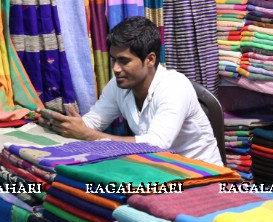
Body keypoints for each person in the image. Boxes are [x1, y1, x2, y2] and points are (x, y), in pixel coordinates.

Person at [43, 16, 222, 165]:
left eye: (124, 61)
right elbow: (93, 122)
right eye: (114, 60)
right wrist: (69, 124)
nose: (116, 68)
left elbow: (157, 144)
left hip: (204, 175)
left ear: (150, 59)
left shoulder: (174, 87)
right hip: (161, 170)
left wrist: (89, 135)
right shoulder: (118, 85)